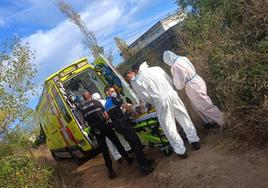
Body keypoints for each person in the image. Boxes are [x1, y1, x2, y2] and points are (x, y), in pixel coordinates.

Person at [131, 62, 200, 158]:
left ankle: (181, 151)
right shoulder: (157, 68)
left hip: (160, 100)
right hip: (172, 94)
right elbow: (169, 80)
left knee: (169, 126)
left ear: (135, 71)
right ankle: (194, 141)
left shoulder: (139, 79)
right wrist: (169, 91)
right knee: (184, 118)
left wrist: (155, 101)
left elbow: (145, 97)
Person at [163, 50, 225, 127]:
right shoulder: (182, 58)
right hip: (196, 79)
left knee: (204, 105)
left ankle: (223, 120)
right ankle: (210, 121)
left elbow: (180, 83)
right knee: (196, 106)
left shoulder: (176, 66)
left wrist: (176, 85)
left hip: (192, 86)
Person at [80, 91, 133, 179]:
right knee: (116, 142)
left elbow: (85, 122)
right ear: (90, 96)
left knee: (104, 150)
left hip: (96, 130)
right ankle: (128, 159)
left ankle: (110, 170)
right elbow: (105, 115)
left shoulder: (83, 109)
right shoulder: (96, 102)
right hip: (105, 126)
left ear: (84, 98)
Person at [104, 86, 154, 174]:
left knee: (133, 143)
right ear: (107, 93)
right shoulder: (113, 99)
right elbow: (125, 106)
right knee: (136, 143)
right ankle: (143, 167)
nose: (113, 92)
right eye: (111, 91)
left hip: (119, 126)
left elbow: (116, 111)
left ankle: (144, 161)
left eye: (114, 91)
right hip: (123, 125)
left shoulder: (106, 103)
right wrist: (136, 108)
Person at [92, 92, 132, 164]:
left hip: (103, 126)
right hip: (112, 122)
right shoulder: (105, 102)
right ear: (100, 96)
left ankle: (117, 157)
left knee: (109, 142)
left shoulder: (94, 105)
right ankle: (127, 149)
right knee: (119, 137)